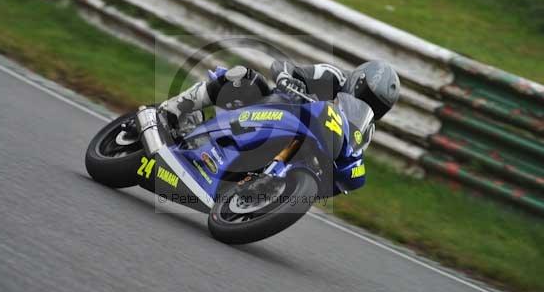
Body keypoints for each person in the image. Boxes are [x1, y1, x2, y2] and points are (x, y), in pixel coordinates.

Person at [158, 60, 400, 193]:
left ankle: (255, 186)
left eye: (377, 108)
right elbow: (285, 66)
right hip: (273, 109)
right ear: (358, 82)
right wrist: (286, 78)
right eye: (366, 95)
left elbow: (350, 155)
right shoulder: (333, 76)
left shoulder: (366, 131)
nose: (368, 106)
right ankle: (172, 110)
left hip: (303, 144)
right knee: (243, 77)